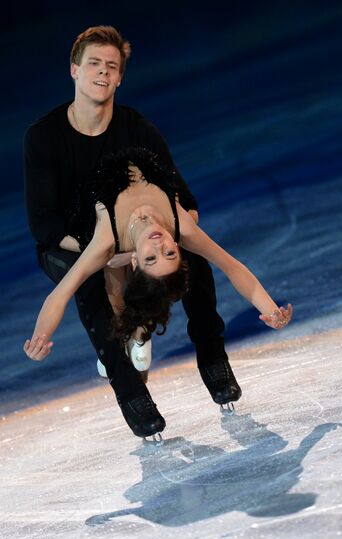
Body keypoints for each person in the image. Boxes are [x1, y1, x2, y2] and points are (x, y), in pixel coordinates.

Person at [22, 25, 274, 439]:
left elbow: (186, 198)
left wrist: (171, 234)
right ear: (74, 70)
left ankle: (210, 357)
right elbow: (44, 226)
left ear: (120, 77)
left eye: (112, 67)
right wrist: (108, 253)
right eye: (94, 65)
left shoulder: (136, 128)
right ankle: (129, 389)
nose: (102, 73)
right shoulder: (43, 137)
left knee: (191, 256)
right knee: (87, 286)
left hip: (133, 235)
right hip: (70, 243)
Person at [24, 148, 293, 432]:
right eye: (169, 254)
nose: (159, 245)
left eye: (152, 257)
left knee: (105, 274)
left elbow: (62, 293)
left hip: (97, 235)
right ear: (177, 247)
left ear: (138, 260)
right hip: (101, 226)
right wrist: (271, 310)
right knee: (114, 274)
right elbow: (232, 265)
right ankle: (135, 331)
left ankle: (134, 329)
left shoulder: (106, 239)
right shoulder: (181, 227)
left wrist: (39, 339)